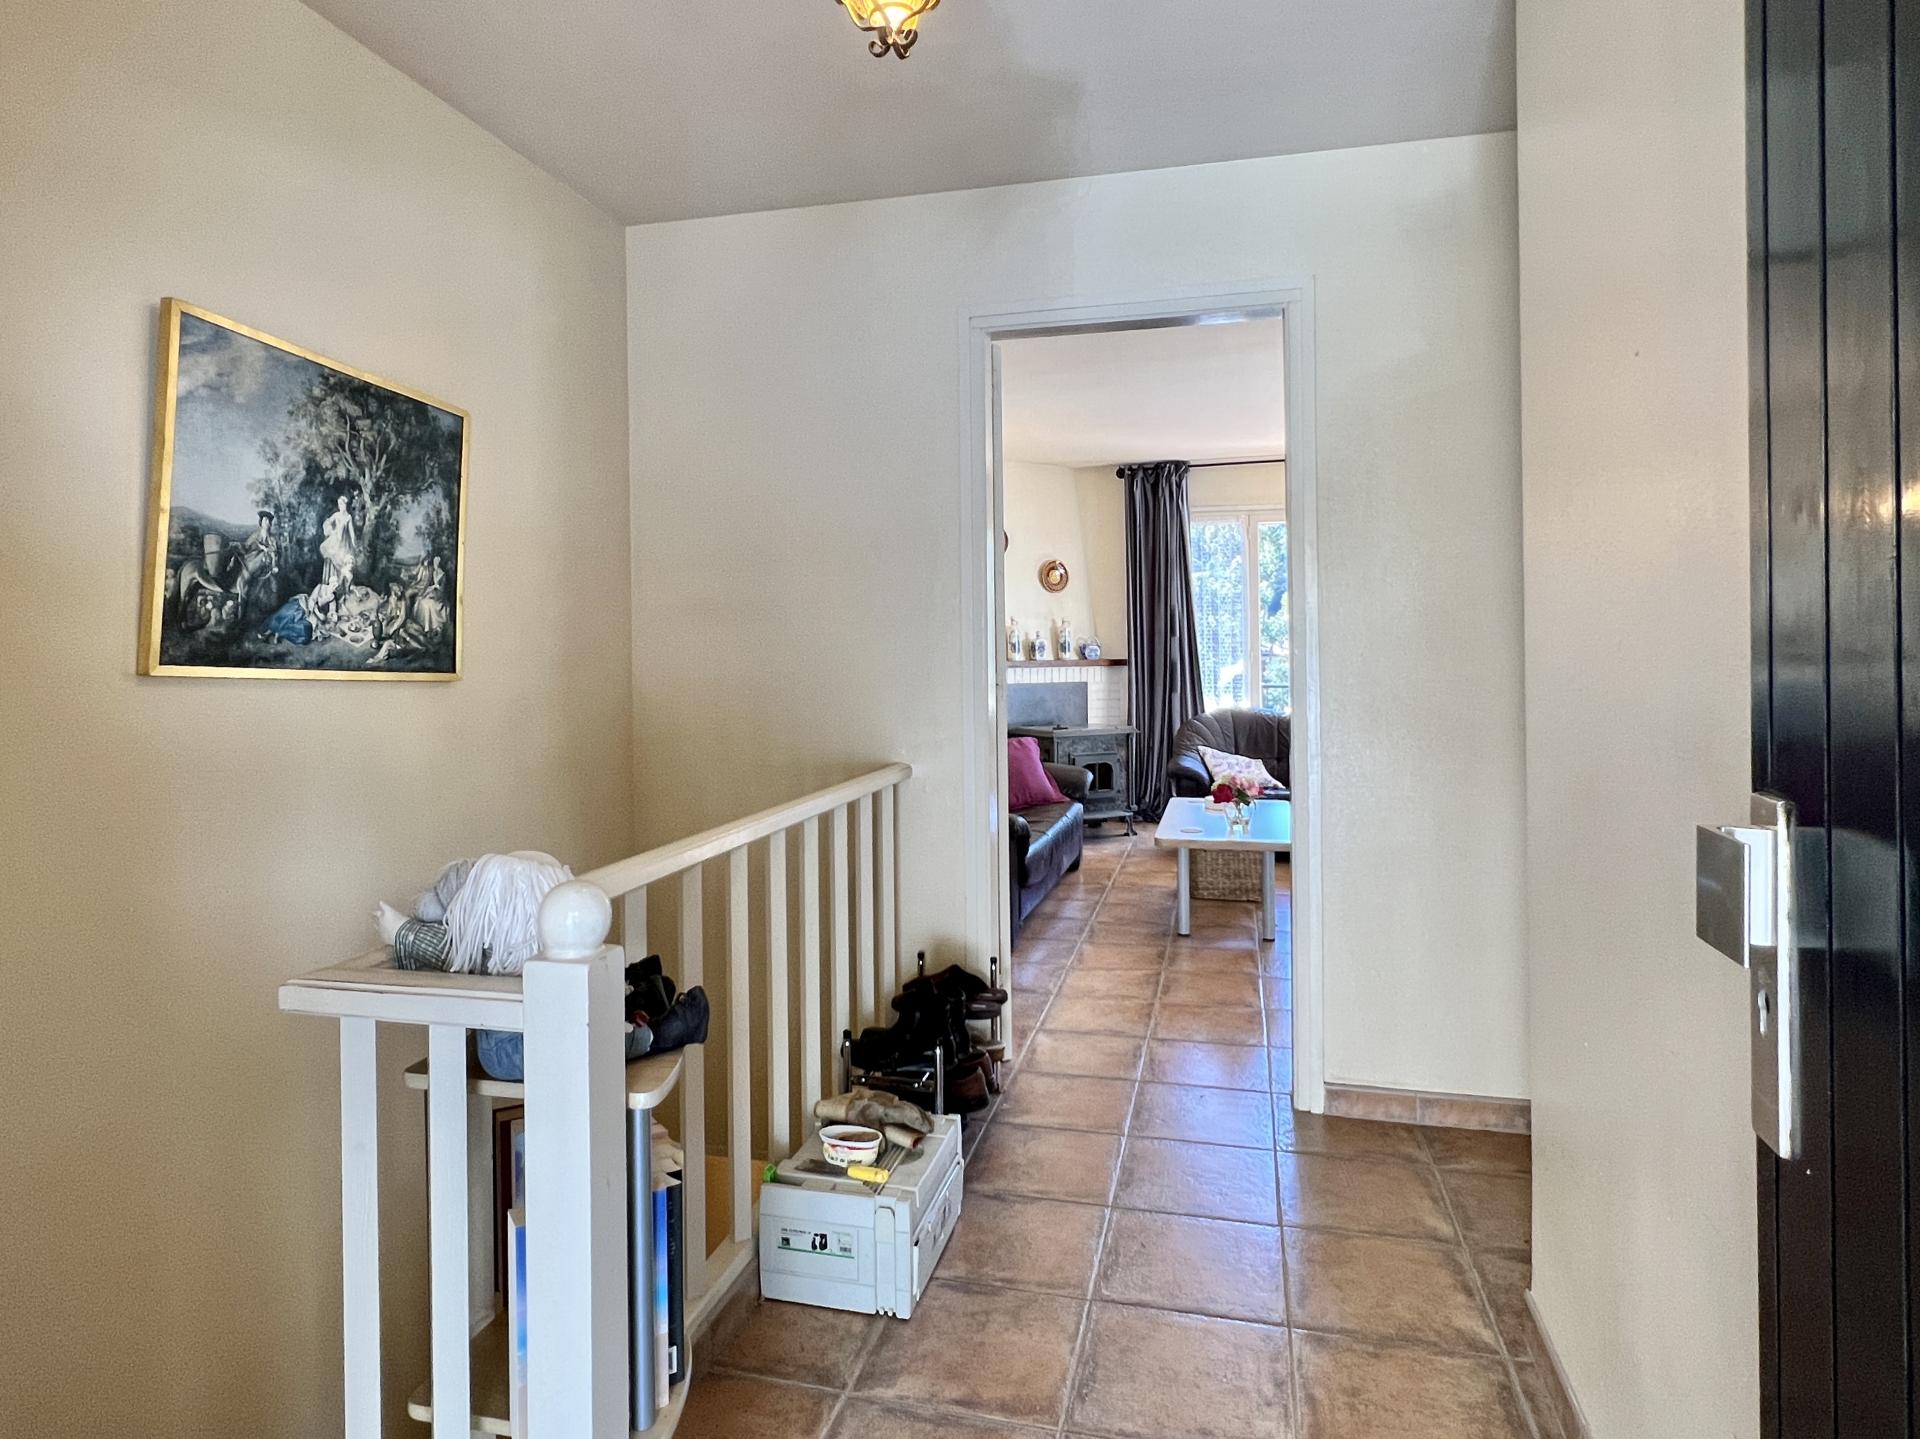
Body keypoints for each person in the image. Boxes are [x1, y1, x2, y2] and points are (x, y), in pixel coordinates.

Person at [318, 495, 357, 589]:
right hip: (334, 541)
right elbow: (327, 523)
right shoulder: (336, 515)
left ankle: (342, 585)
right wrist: (331, 530)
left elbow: (351, 532)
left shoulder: (348, 517)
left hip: (343, 543)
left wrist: (354, 543)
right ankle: (330, 584)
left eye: (342, 504)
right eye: (339, 504)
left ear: (345, 505)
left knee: (343, 561)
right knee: (331, 557)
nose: (341, 506)